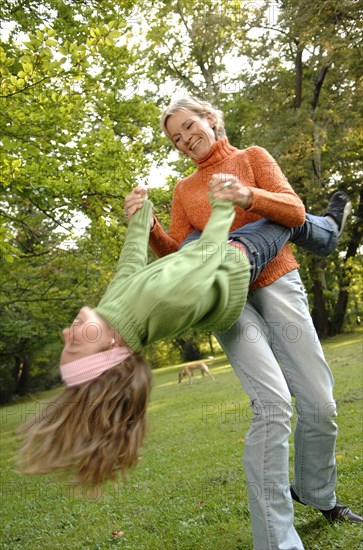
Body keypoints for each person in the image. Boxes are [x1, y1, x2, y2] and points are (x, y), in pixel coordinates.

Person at [125, 96, 362, 549]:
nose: (186, 140)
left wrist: (247, 195)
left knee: (320, 404)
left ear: (210, 119)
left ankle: (317, 493)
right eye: (176, 138)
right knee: (272, 405)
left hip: (276, 281)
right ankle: (277, 542)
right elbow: (181, 258)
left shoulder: (252, 158)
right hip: (227, 301)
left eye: (190, 127)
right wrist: (150, 227)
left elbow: (292, 214)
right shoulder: (183, 190)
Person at [19, 189, 342, 490]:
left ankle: (323, 230)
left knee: (198, 225)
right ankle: (328, 231)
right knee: (286, 217)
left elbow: (130, 262)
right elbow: (207, 254)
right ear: (111, 347)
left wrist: (139, 215)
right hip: (234, 263)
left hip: (195, 262)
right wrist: (222, 204)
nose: (66, 333)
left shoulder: (110, 311)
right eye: (75, 344)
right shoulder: (165, 300)